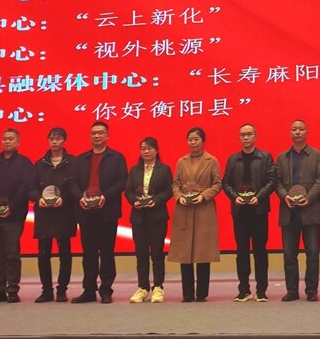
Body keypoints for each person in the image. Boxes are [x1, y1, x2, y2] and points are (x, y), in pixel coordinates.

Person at [73, 121, 128, 304]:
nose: (97, 136)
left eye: (100, 133)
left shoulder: (116, 158)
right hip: (85, 212)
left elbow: (123, 181)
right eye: (94, 133)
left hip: (107, 212)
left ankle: (106, 290)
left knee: (106, 252)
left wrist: (106, 196)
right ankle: (89, 290)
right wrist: (80, 197)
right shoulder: (81, 159)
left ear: (107, 136)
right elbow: (72, 182)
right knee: (88, 253)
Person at [221, 124, 277, 302]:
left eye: (249, 134)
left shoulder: (265, 157)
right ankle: (244, 289)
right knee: (242, 252)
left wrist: (259, 197)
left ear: (255, 136)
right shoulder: (233, 159)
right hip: (240, 212)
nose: (245, 138)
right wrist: (234, 197)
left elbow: (272, 180)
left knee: (260, 251)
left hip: (259, 211)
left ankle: (261, 290)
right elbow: (226, 182)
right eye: (242, 135)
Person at [0, 129, 35, 304]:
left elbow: (25, 187)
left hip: (14, 217)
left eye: (11, 139)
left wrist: (11, 207)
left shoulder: (24, 163)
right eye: (4, 139)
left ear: (18, 142)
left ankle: (12, 289)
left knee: (12, 254)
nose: (7, 141)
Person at [167, 127, 223, 302]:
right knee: (185, 253)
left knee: (203, 252)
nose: (192, 142)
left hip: (203, 209)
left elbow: (217, 184)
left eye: (196, 139)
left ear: (203, 141)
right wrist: (179, 196)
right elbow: (175, 184)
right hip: (184, 209)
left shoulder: (212, 160)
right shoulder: (181, 161)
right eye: (190, 139)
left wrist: (203, 196)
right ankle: (187, 293)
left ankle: (202, 293)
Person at [274, 119, 320, 302]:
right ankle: (292, 290)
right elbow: (277, 182)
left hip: (310, 211)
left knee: (312, 253)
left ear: (306, 132)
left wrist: (309, 198)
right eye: (294, 129)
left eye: (301, 129)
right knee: (289, 254)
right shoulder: (282, 157)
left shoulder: (316, 155)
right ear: (290, 133)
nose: (297, 132)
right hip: (288, 211)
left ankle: (311, 291)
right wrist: (284, 196)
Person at [30, 127, 78, 303]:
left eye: (58, 138)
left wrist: (64, 198)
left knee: (64, 252)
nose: (54, 141)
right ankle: (46, 290)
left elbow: (75, 187)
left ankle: (62, 290)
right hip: (44, 213)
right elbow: (31, 187)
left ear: (65, 141)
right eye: (51, 138)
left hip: (64, 212)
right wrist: (38, 198)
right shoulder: (39, 164)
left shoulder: (73, 162)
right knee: (43, 253)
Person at [124, 137, 173, 303]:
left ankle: (158, 287)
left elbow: (169, 190)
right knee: (141, 254)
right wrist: (134, 201)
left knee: (157, 254)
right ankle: (143, 288)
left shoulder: (164, 169)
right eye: (143, 148)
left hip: (157, 216)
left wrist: (156, 201)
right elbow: (128, 191)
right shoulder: (134, 170)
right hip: (138, 217)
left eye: (149, 148)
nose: (146, 151)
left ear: (156, 151)